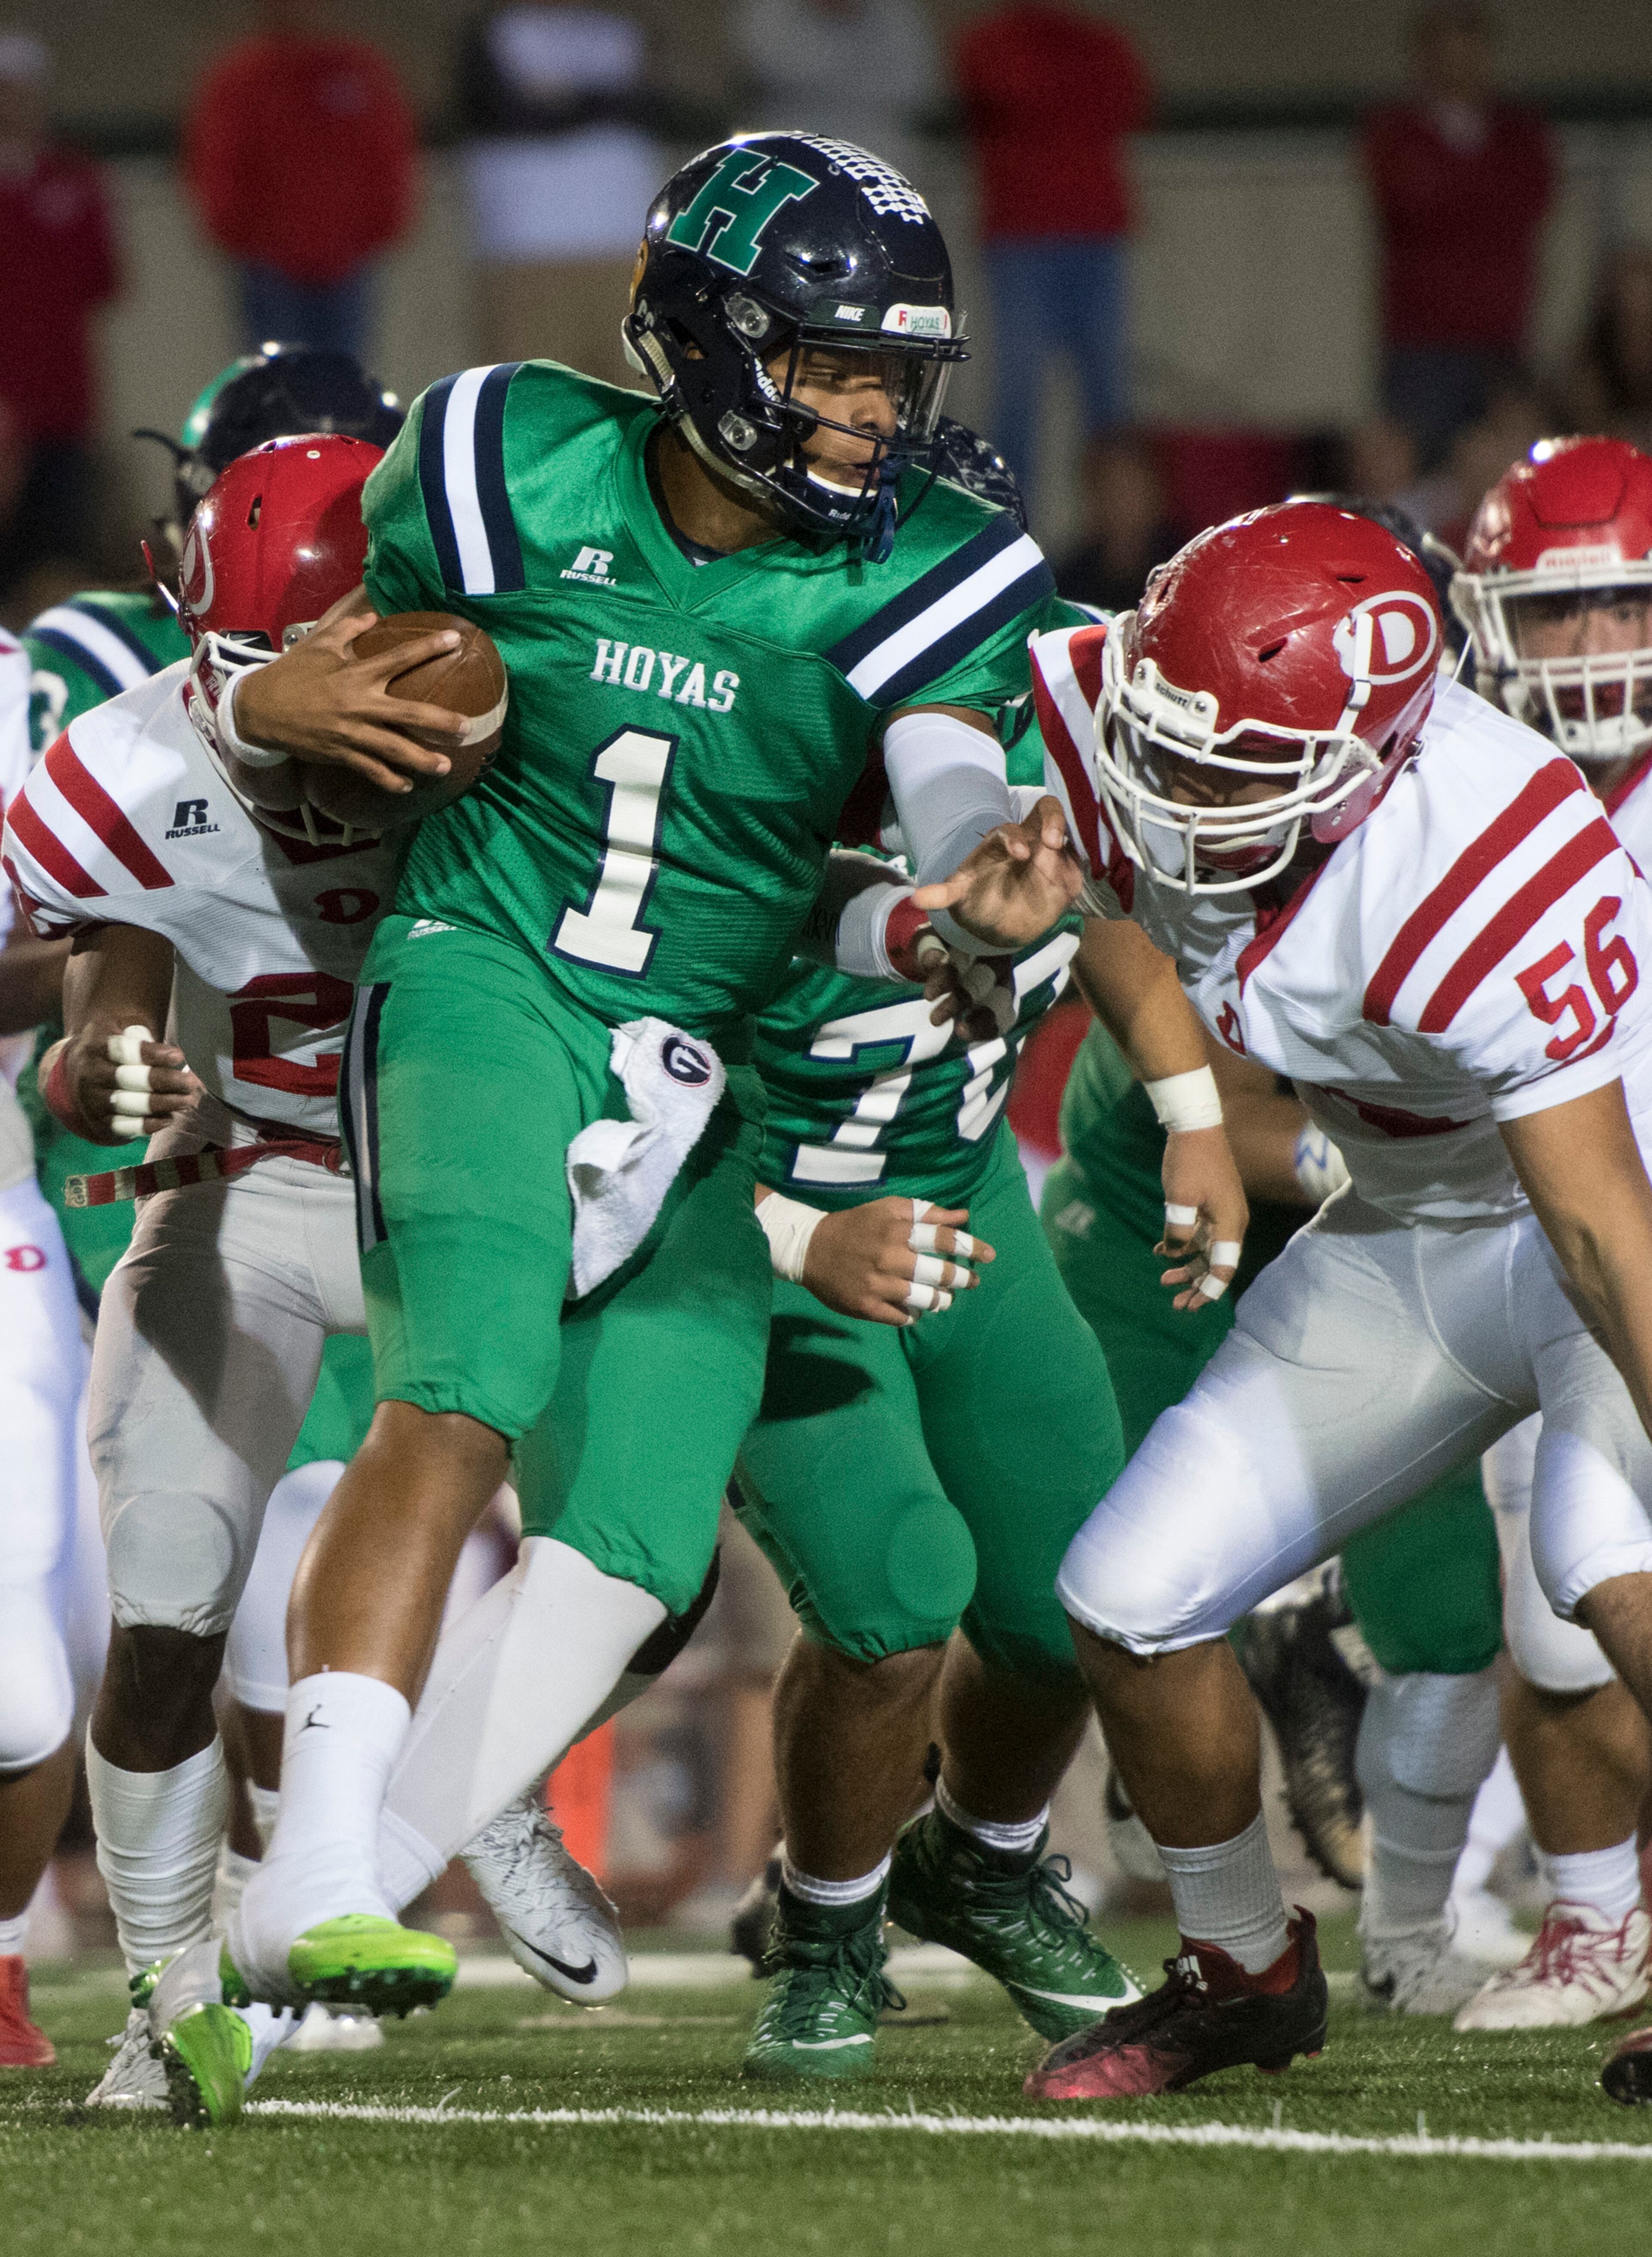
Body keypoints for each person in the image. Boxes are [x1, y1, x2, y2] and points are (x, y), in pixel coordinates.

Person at [140, 132, 1188, 2127]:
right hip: (485, 966)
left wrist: (971, 875)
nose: (877, 410)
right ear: (708, 338)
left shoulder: (919, 563)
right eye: (836, 364)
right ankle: (309, 1868)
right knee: (465, 1372)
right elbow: (315, 674)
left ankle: (266, 1965)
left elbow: (948, 769)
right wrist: (261, 704)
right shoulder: (485, 449)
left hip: (693, 1066)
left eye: (897, 372)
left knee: (630, 1551)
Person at [4, 438, 633, 2120]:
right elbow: (96, 1013)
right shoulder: (136, 763)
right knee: (160, 1626)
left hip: (488, 1189)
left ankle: (443, 1794)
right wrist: (107, 1077)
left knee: (653, 1541)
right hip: (256, 1197)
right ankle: (167, 1988)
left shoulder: (565, 735)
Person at [1001, 499, 1652, 2100]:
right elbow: (1104, 889)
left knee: (1601, 1560)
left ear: (1369, 763)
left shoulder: (1491, 867)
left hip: (1585, 1226)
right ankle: (1241, 1972)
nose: (1175, 789)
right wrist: (1183, 1106)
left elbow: (1592, 1223)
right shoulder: (1148, 717)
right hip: (1403, 1229)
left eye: (1231, 770)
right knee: (1128, 1596)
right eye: (1166, 744)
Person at [730, 716, 1243, 2076]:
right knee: (893, 1595)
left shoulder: (1038, 706)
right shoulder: (725, 746)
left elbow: (1108, 913)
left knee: (1073, 1592)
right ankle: (826, 1925)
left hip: (964, 1208)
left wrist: (1192, 1112)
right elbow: (602, 1100)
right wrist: (796, 1239)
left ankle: (982, 1866)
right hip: (746, 1233)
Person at [1450, 435, 1652, 2037]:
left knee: (1590, 1577)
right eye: (1558, 614)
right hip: (1543, 1246)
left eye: (1621, 609)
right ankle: (1595, 1918)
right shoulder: (1457, 783)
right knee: (1556, 1609)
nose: (1590, 651)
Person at [955, 6, 1151, 498]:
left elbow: (1133, 97)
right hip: (1023, 241)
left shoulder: (1101, 42)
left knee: (1111, 405)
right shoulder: (995, 41)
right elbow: (1002, 85)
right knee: (1018, 401)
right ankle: (1011, 537)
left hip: (1094, 239)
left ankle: (1120, 542)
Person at [1361, 2, 1553, 471]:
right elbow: (1408, 203)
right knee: (1421, 474)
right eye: (1444, 50)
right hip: (1421, 345)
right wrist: (1482, 194)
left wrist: (1452, 189)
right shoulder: (1394, 132)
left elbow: (1532, 199)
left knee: (1508, 472)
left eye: (1469, 50)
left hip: (1501, 340)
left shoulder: (1520, 134)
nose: (1457, 64)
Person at [183, 1, 418, 359]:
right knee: (277, 384)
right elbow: (219, 163)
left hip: (347, 265)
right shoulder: (244, 77)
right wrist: (239, 235)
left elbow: (386, 154)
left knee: (345, 384)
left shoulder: (358, 72)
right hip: (269, 269)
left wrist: (379, 228)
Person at [455, 4, 665, 382]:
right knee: (534, 390)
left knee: (631, 388)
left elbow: (655, 105)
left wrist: (569, 100)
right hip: (530, 245)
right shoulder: (500, 33)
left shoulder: (620, 32)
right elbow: (504, 113)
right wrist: (598, 104)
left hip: (623, 245)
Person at [0, 32, 120, 594]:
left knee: (60, 545)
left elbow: (103, 276)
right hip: (9, 399)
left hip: (60, 395)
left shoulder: (73, 177)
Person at [731, 0, 942, 186]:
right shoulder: (770, 13)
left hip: (880, 152)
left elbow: (915, 87)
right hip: (791, 149)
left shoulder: (896, 15)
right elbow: (770, 67)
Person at [1053, 432, 1179, 614]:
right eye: (1108, 490)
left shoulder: (1185, 569)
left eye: (1130, 489)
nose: (1120, 503)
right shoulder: (1069, 583)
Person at [1555, 243, 1652, 455]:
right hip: (1606, 458)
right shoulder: (1595, 351)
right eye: (1629, 286)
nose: (1637, 299)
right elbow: (1582, 413)